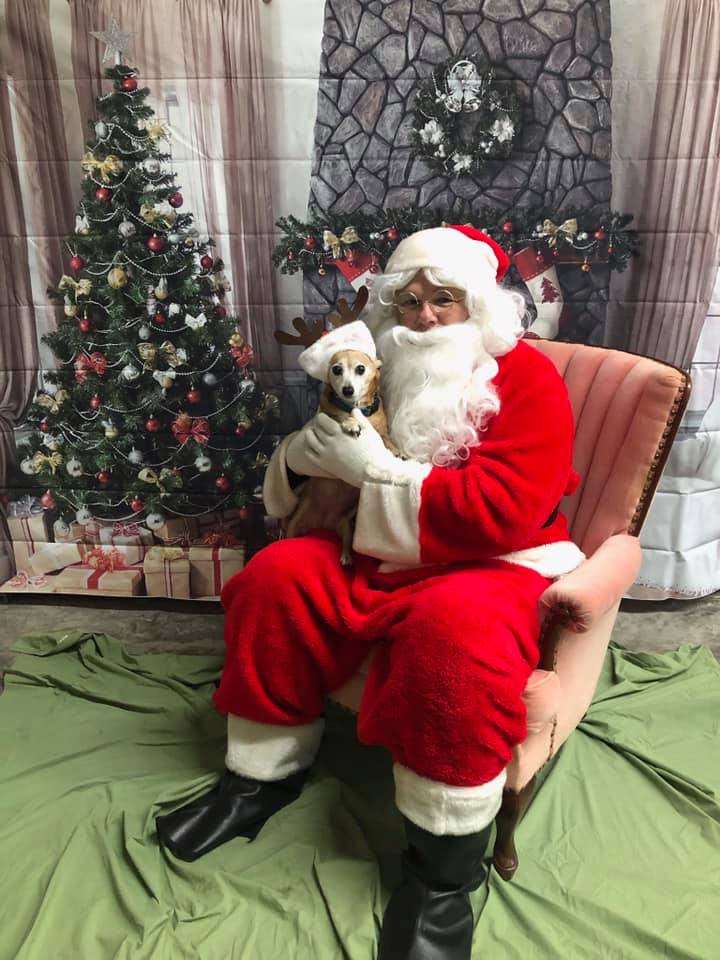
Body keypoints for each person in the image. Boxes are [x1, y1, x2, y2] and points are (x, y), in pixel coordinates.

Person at [156, 225, 585, 960]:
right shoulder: (378, 364)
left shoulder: (529, 380)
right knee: (276, 580)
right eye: (408, 301)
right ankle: (257, 780)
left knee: (457, 642)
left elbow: (505, 508)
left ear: (478, 304)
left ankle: (442, 873)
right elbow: (323, 462)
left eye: (443, 300)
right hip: (373, 551)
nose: (423, 317)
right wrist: (301, 457)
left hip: (488, 562)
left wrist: (377, 475)